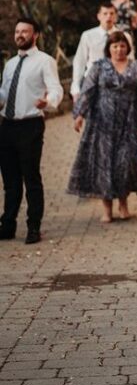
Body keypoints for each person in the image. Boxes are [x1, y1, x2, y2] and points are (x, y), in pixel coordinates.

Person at [67, 31, 137, 224]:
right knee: (104, 165)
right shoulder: (98, 67)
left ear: (127, 48)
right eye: (114, 46)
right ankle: (107, 209)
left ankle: (123, 204)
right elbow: (87, 91)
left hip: (128, 122)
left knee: (124, 164)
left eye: (122, 46)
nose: (119, 50)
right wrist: (79, 115)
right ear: (108, 48)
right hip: (102, 122)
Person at [0, 18, 63, 244]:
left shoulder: (45, 61)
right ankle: (7, 224)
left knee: (31, 178)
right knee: (10, 180)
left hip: (30, 125)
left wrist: (47, 103)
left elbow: (56, 89)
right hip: (7, 125)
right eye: (17, 31)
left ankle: (33, 226)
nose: (20, 35)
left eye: (25, 31)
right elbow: (5, 93)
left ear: (35, 34)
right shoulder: (10, 64)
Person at [70, 3, 117, 99]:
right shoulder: (88, 35)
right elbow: (80, 61)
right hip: (92, 82)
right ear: (99, 16)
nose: (109, 16)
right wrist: (75, 87)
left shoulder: (123, 36)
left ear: (115, 16)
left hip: (115, 82)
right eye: (105, 13)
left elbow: (129, 61)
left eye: (112, 13)